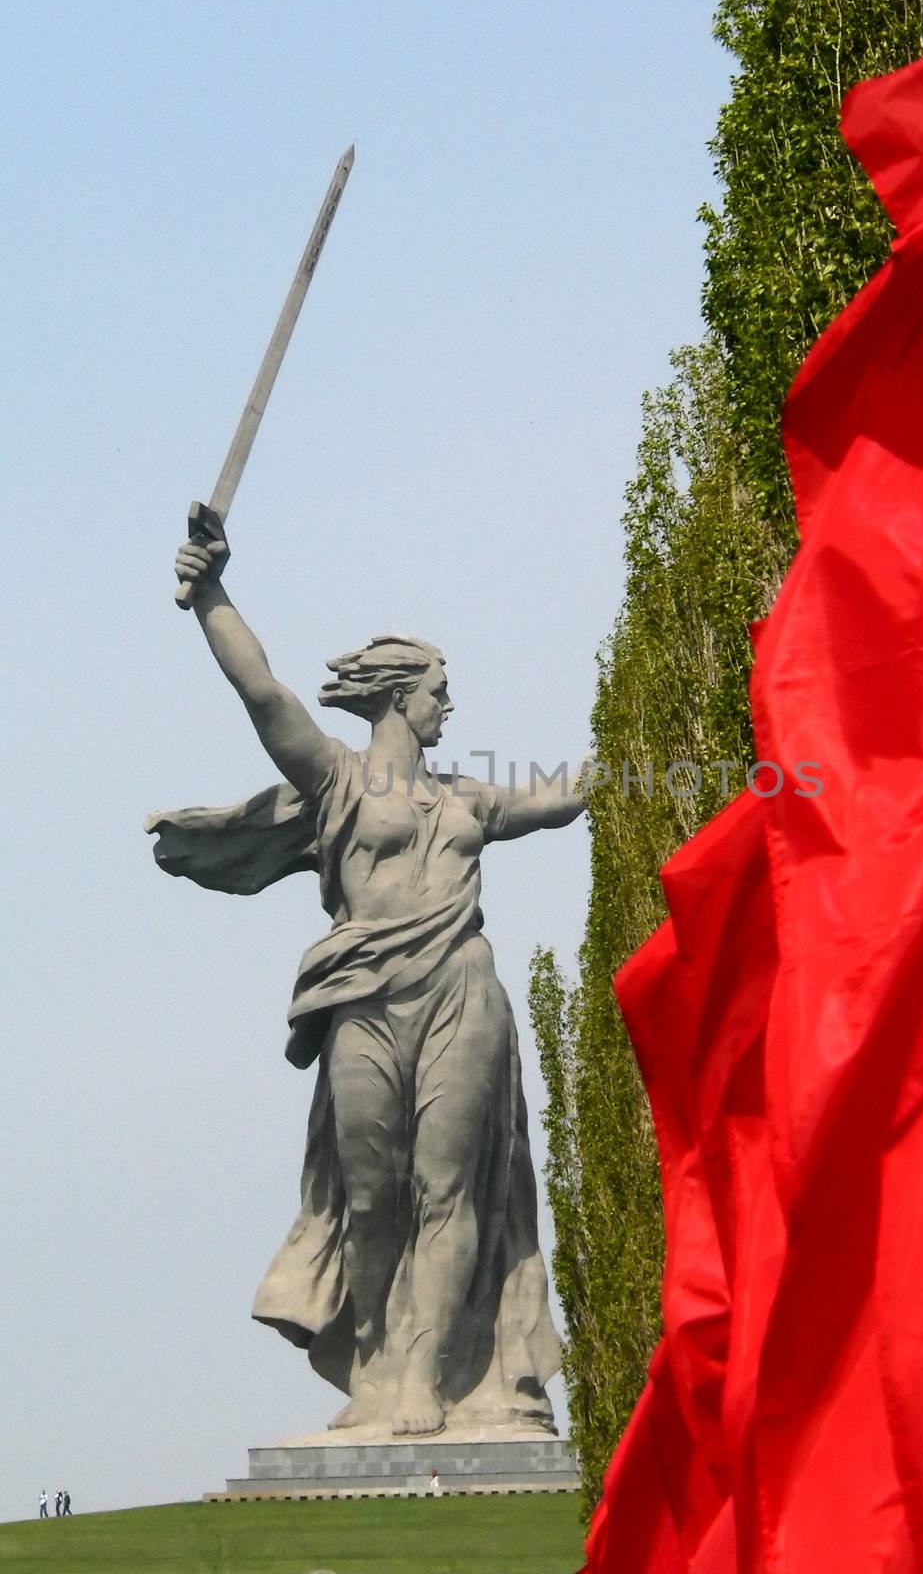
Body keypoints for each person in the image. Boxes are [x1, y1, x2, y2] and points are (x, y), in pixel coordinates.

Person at [151, 527, 584, 1438]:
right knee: (369, 1191)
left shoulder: (469, 797)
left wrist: (642, 749)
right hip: (363, 1000)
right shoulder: (338, 783)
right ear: (398, 695)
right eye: (437, 692)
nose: (447, 707)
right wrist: (213, 595)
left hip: (461, 990)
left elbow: (562, 796)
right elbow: (262, 691)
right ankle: (381, 1366)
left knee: (448, 1186)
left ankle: (423, 1376)